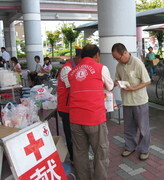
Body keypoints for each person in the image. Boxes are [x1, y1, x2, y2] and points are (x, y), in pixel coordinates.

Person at [68, 44, 113, 180]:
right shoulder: (101, 68)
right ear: (97, 55)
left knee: (80, 153)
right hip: (94, 117)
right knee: (100, 152)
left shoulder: (72, 72)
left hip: (75, 119)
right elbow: (110, 86)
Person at [112, 43, 151, 161]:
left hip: (140, 101)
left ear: (125, 52)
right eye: (115, 59)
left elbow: (147, 81)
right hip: (127, 101)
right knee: (128, 127)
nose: (117, 60)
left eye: (118, 58)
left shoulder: (137, 63)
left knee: (143, 128)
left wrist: (133, 88)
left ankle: (144, 150)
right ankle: (130, 146)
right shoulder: (119, 66)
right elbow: (117, 80)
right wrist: (111, 86)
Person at [57, 51, 81, 164]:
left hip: (73, 107)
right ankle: (73, 158)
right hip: (66, 108)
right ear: (77, 58)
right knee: (70, 134)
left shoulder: (75, 67)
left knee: (76, 133)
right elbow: (71, 86)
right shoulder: (67, 69)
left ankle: (78, 155)